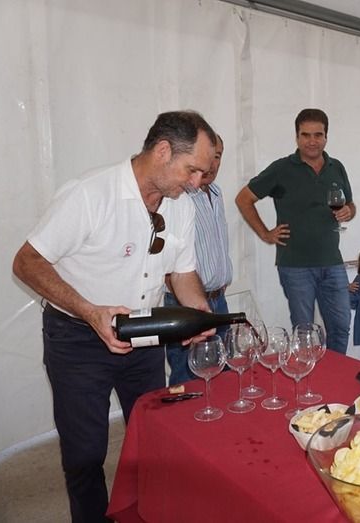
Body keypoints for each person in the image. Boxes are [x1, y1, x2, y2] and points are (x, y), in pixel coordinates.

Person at [11, 111, 216, 521]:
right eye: (192, 170)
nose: (197, 183)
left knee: (153, 437)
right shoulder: (90, 194)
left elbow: (182, 272)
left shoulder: (182, 206)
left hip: (144, 333)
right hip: (77, 339)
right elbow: (27, 262)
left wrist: (197, 307)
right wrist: (91, 312)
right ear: (163, 151)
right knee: (85, 452)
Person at [235, 108, 354, 354]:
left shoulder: (337, 167)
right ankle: (308, 375)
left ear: (326, 137)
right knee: (304, 332)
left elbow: (350, 205)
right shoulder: (281, 169)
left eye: (318, 135)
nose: (312, 141)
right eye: (305, 135)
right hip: (296, 267)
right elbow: (243, 199)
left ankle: (336, 373)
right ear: (297, 137)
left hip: (333, 263)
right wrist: (265, 234)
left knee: (341, 327)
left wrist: (348, 211)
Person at [165, 135, 234, 385]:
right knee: (188, 378)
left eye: (218, 157)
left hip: (219, 300)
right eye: (208, 157)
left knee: (223, 377)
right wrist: (186, 304)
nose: (212, 164)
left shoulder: (216, 192)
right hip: (185, 304)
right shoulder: (176, 198)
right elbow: (166, 259)